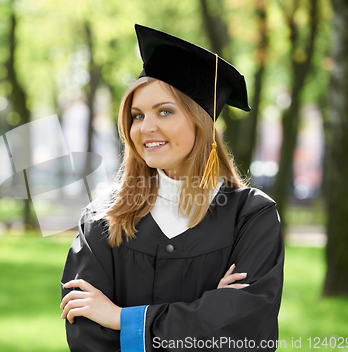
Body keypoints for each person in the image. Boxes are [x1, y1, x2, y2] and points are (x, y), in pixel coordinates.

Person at [60, 24, 284, 352]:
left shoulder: (250, 217)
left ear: (201, 121)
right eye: (137, 115)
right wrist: (205, 310)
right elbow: (88, 334)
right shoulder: (101, 218)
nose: (146, 128)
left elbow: (243, 331)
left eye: (164, 111)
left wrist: (123, 319)